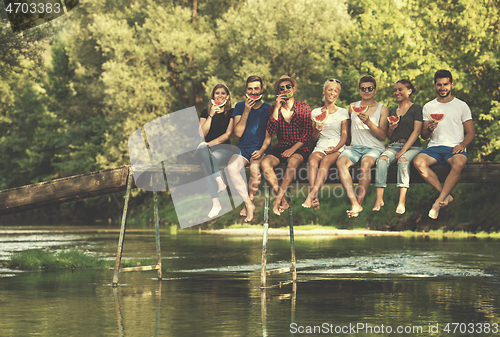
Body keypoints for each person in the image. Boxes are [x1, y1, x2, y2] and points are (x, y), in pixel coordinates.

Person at [413, 70, 475, 219]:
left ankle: (437, 203)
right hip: (434, 147)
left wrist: (462, 145)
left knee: (459, 163)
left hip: (454, 147)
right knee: (418, 162)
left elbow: (471, 132)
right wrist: (428, 129)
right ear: (435, 86)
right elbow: (424, 135)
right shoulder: (428, 106)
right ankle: (445, 195)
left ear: (451, 84)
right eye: (439, 85)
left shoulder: (462, 106)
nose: (442, 88)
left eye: (445, 84)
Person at [336, 75, 389, 218]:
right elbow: (347, 131)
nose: (367, 91)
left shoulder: (383, 109)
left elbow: (383, 136)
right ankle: (354, 202)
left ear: (375, 90)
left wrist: (369, 123)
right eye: (363, 89)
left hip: (374, 148)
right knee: (341, 163)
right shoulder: (352, 107)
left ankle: (359, 203)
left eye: (370, 88)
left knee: (365, 165)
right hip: (354, 147)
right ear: (359, 91)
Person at [260, 75, 313, 216]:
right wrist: (277, 108)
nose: (285, 90)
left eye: (288, 87)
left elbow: (307, 134)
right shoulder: (273, 109)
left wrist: (292, 149)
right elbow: (270, 131)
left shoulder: (304, 108)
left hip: (299, 147)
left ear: (294, 88)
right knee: (265, 163)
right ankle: (282, 199)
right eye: (281, 88)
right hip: (281, 146)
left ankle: (276, 201)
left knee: (293, 161)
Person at [372, 79, 423, 214]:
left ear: (409, 91)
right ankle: (379, 198)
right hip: (394, 146)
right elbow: (389, 136)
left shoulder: (417, 108)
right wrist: (391, 128)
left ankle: (401, 201)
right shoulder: (393, 110)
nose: (397, 92)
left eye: (400, 89)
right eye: (395, 90)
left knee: (403, 161)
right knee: (381, 160)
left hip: (412, 147)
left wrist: (404, 150)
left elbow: (417, 131)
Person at [227, 76, 272, 222]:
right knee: (231, 168)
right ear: (246, 90)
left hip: (261, 150)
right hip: (243, 149)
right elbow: (238, 132)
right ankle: (248, 204)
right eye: (250, 89)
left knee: (254, 168)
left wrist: (262, 150)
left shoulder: (270, 109)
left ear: (262, 90)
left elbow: (269, 135)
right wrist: (246, 111)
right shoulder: (240, 106)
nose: (253, 92)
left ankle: (248, 204)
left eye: (256, 89)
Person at [302, 78, 349, 209]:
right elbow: (313, 138)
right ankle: (315, 197)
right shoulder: (315, 112)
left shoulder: (343, 112)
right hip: (321, 145)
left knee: (325, 162)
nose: (333, 93)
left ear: (338, 94)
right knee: (312, 161)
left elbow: (345, 135)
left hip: (338, 145)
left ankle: (311, 196)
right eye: (330, 89)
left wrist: (336, 148)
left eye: (336, 91)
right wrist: (317, 130)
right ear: (324, 91)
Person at [195, 83, 235, 218]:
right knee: (202, 148)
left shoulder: (231, 112)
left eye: (223, 93)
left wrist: (208, 144)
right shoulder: (205, 113)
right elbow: (202, 134)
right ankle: (219, 181)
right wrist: (210, 116)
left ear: (227, 97)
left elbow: (228, 135)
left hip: (224, 149)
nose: (220, 96)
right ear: (213, 96)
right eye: (217, 93)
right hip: (204, 150)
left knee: (204, 163)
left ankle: (216, 203)